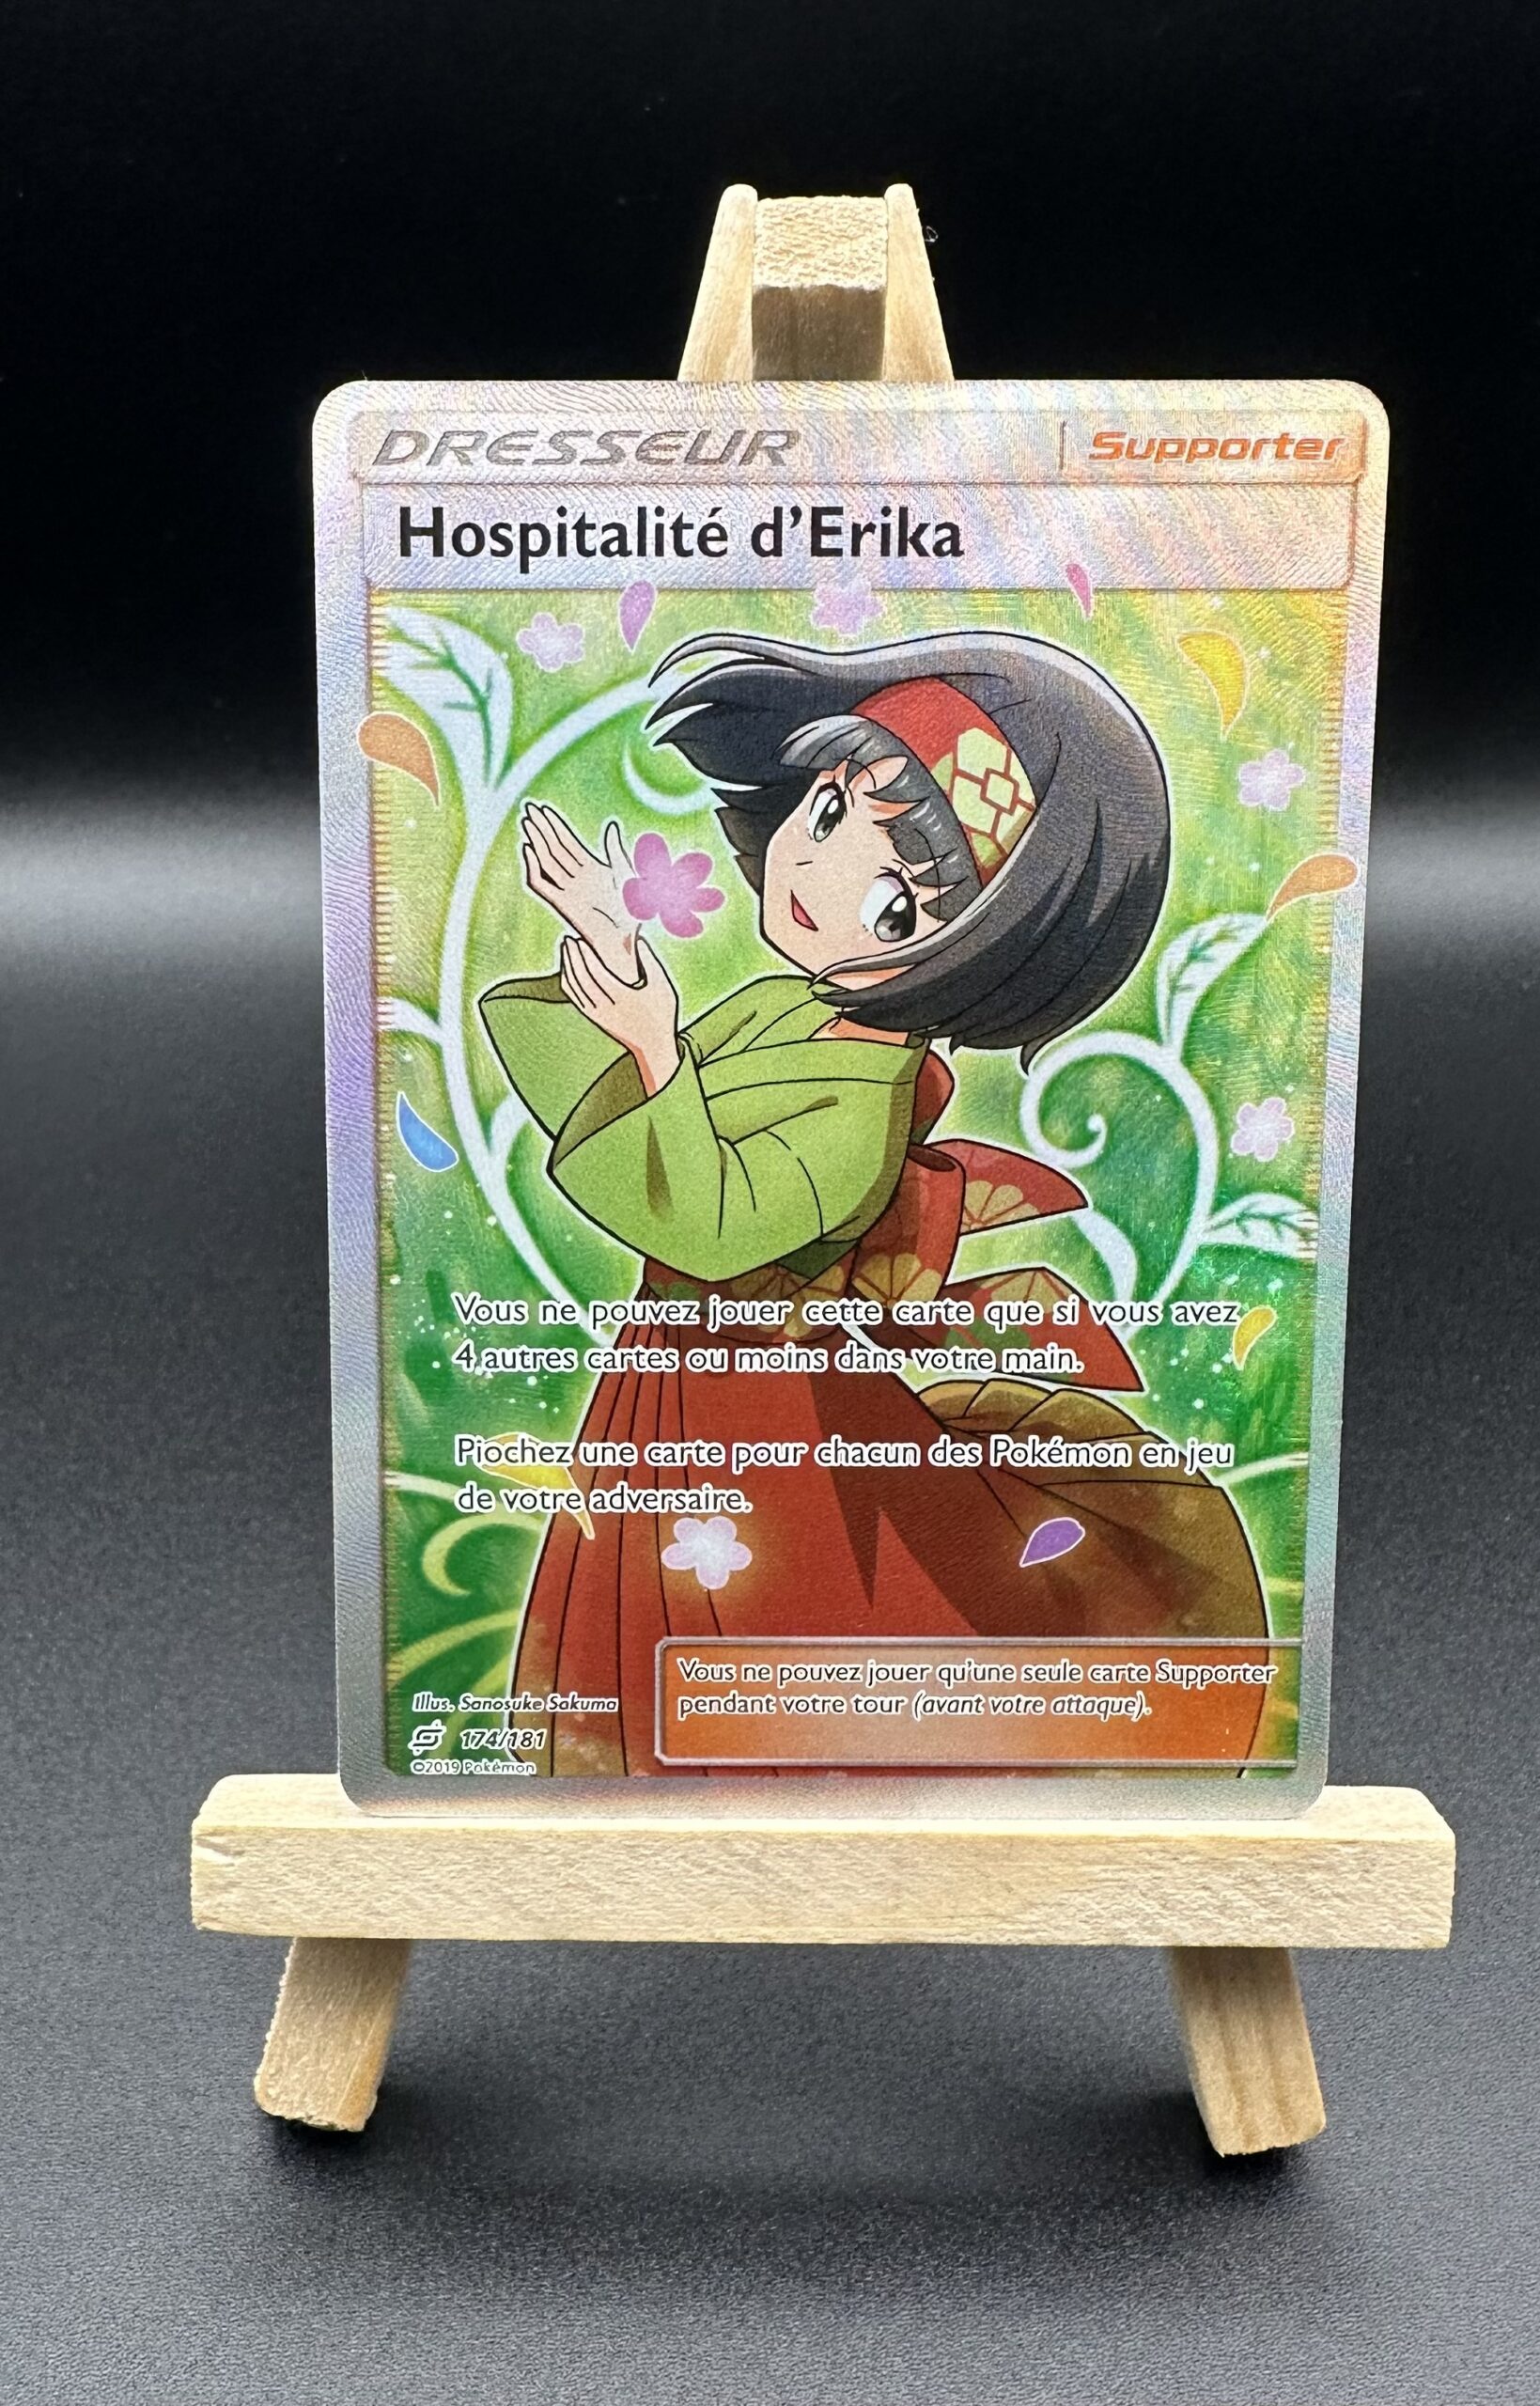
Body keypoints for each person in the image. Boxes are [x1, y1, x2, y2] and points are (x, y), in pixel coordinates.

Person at [480, 630, 1268, 1775]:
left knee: (759, 1614)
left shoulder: (864, 1105)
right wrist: (606, 949)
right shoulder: (781, 1006)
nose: (816, 873)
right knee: (642, 1605)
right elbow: (610, 1116)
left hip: (757, 1405)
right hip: (677, 1375)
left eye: (898, 907)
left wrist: (654, 1046)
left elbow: (713, 1225)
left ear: (974, 962)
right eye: (830, 810)